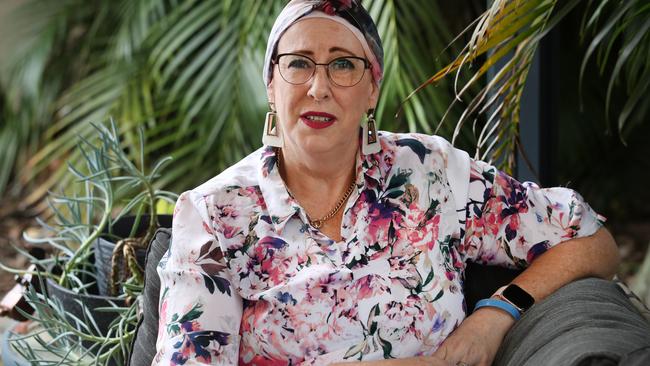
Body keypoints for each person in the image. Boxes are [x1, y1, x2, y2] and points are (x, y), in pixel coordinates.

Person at [152, 1, 624, 365]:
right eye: (298, 63)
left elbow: (589, 239)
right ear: (272, 86)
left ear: (372, 87)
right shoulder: (214, 213)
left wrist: (497, 312)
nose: (319, 87)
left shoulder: (430, 172)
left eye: (342, 65)